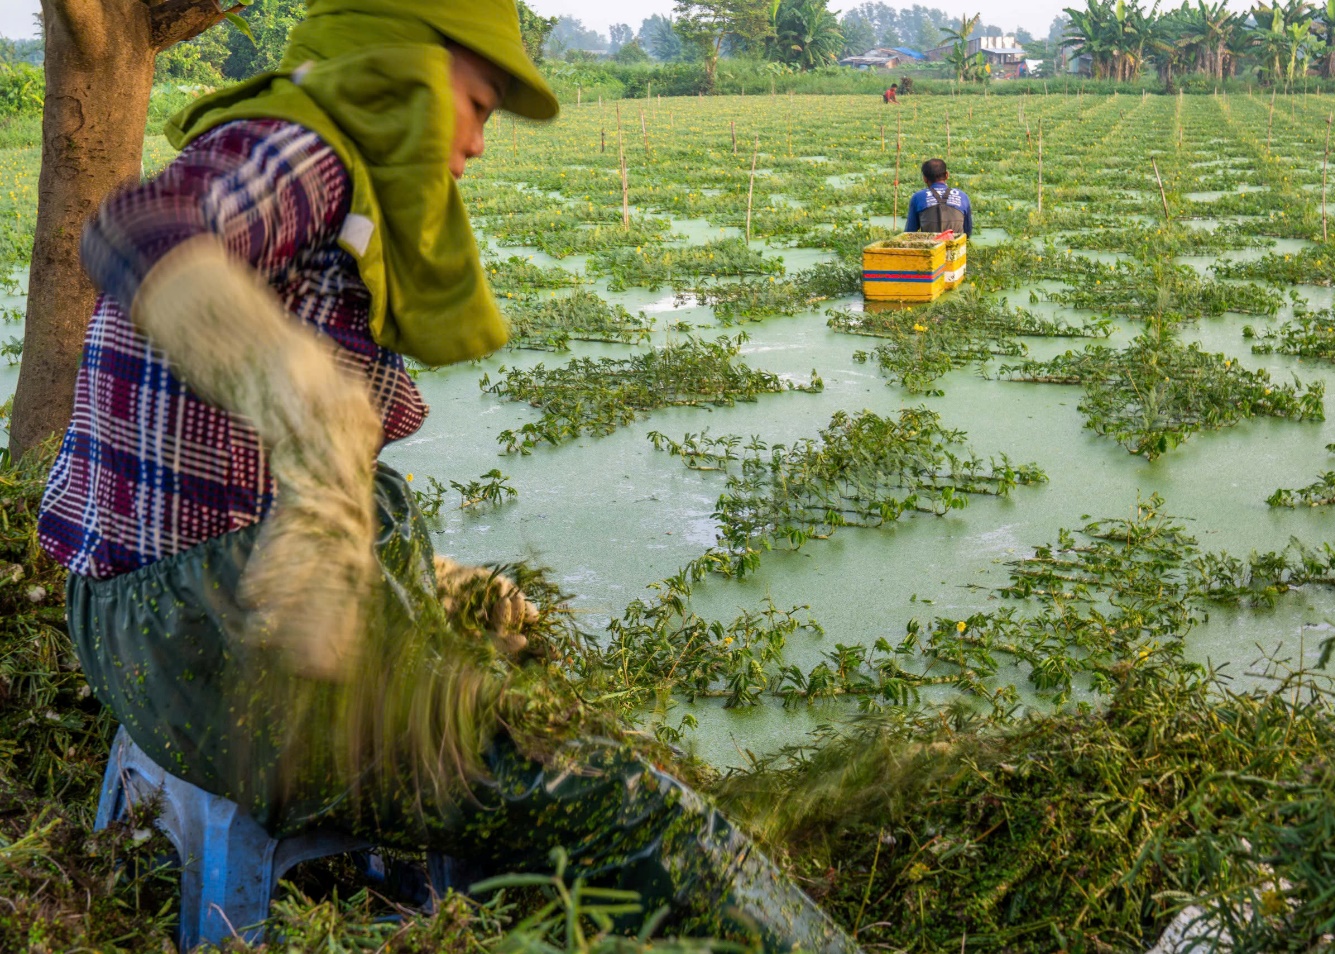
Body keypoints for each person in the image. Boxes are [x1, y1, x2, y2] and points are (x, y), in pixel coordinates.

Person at [36, 0, 858, 949]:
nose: (475, 140)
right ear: (401, 69)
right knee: (629, 803)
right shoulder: (311, 149)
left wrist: (425, 582)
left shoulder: (342, 201)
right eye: (473, 101)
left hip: (128, 638)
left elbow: (270, 496)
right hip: (222, 665)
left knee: (420, 561)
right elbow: (145, 222)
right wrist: (293, 387)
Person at [905, 158, 972, 235]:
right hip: (956, 245)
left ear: (925, 178)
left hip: (930, 245)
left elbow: (909, 232)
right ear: (947, 175)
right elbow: (968, 232)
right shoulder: (962, 196)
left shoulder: (918, 197)